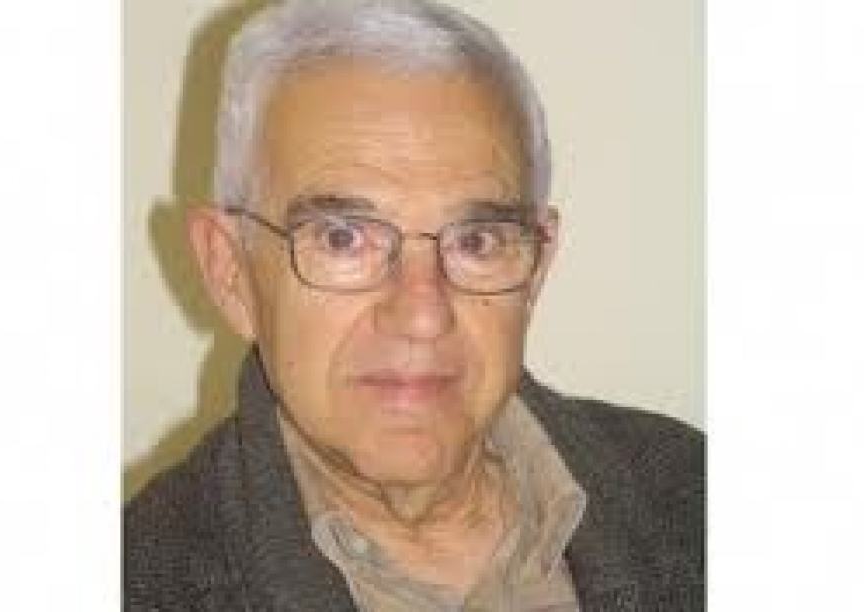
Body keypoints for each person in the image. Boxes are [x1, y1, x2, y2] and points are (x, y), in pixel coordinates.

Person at [123, 0, 705, 609]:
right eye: (342, 238)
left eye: (476, 241)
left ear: (537, 267)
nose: (423, 315)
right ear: (231, 272)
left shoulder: (693, 492)